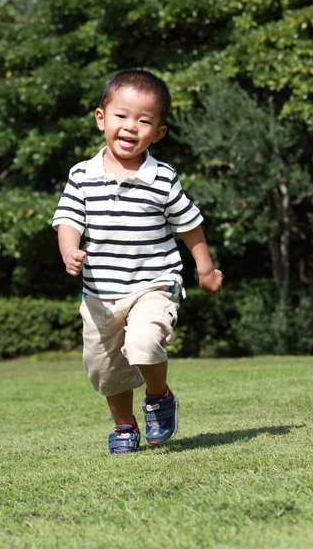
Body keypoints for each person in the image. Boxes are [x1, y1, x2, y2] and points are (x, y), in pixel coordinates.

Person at [52, 69, 223, 455]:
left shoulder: (162, 178)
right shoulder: (81, 175)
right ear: (101, 118)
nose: (131, 127)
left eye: (144, 121)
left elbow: (190, 226)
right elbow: (67, 220)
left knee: (145, 341)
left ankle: (159, 396)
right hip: (101, 294)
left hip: (154, 283)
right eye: (121, 116)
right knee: (105, 367)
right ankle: (125, 426)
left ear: (158, 132)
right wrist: (69, 250)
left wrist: (206, 269)